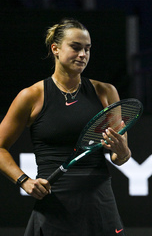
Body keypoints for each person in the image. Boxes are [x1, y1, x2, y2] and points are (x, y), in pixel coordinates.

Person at [0, 18, 130, 235]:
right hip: (54, 206)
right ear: (56, 49)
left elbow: (120, 157)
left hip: (99, 204)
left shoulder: (106, 92)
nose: (83, 55)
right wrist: (23, 181)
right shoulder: (31, 96)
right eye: (76, 47)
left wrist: (123, 152)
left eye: (87, 49)